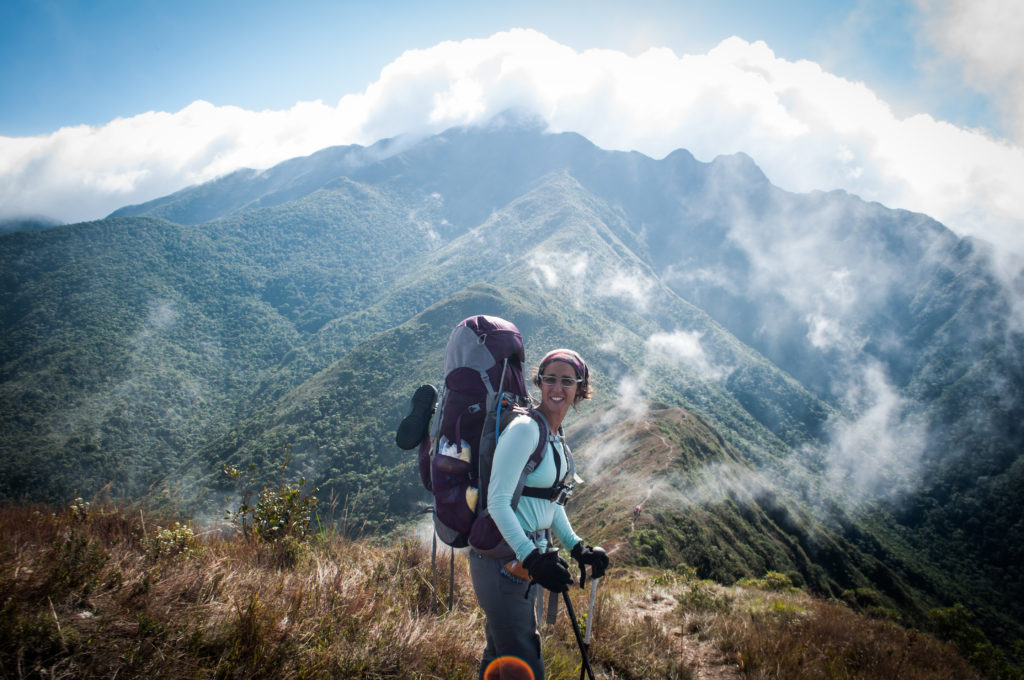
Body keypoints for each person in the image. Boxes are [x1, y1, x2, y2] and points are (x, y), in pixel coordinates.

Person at [469, 348, 610, 680]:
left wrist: (577, 547)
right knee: (524, 662)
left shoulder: (555, 436)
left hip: (523, 560)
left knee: (500, 655)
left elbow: (550, 502)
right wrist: (532, 558)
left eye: (566, 381)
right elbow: (498, 502)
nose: (557, 388)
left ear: (580, 388)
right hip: (503, 561)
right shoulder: (525, 430)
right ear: (539, 383)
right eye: (550, 379)